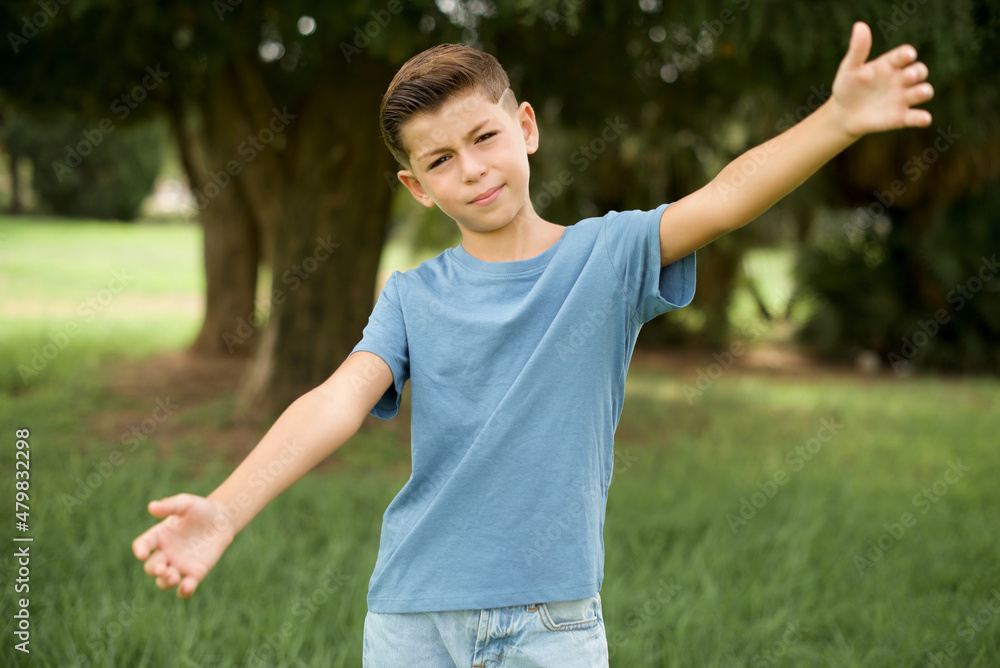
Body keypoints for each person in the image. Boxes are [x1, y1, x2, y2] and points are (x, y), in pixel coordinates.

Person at [133, 21, 933, 667]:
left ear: (526, 127)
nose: (473, 170)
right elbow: (336, 401)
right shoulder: (414, 296)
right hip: (413, 619)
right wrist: (226, 511)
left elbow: (724, 200)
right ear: (417, 186)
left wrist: (838, 120)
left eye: (484, 137)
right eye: (441, 160)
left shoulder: (609, 256)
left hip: (552, 625)